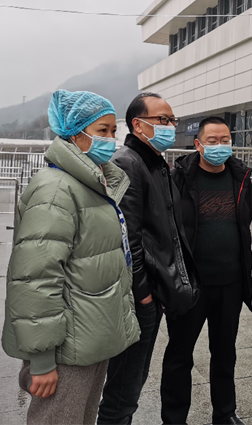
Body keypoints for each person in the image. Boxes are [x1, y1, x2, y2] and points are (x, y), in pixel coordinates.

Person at [2, 90, 140, 425]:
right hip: (67, 348)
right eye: (101, 130)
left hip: (90, 336)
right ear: (75, 135)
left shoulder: (91, 183)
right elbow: (35, 279)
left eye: (113, 130)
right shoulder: (55, 189)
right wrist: (42, 360)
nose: (110, 139)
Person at [97, 92, 199, 425]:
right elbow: (127, 236)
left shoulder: (155, 163)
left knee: (134, 379)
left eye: (172, 120)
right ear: (138, 125)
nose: (170, 126)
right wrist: (143, 294)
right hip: (139, 297)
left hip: (151, 293)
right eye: (163, 120)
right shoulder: (129, 162)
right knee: (123, 389)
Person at [166, 116, 252, 425]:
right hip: (190, 283)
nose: (220, 146)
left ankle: (225, 412)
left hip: (230, 281)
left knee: (225, 352)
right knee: (179, 354)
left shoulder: (241, 177)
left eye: (225, 140)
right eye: (212, 141)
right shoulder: (179, 178)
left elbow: (245, 222)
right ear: (198, 144)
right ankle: (174, 418)